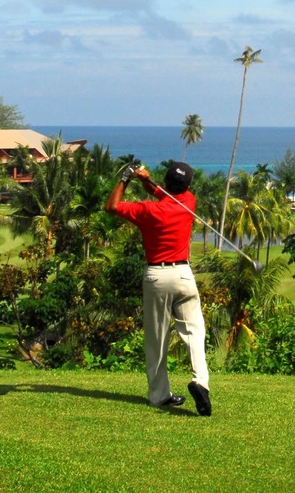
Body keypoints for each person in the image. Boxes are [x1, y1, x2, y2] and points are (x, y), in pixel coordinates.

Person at [105, 160, 212, 416]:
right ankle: (200, 383)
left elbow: (112, 206)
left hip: (157, 276)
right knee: (195, 333)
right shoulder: (189, 203)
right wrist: (146, 179)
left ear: (165, 181)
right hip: (184, 275)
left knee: (157, 339)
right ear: (187, 185)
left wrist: (126, 178)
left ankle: (160, 396)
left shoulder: (147, 211)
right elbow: (166, 194)